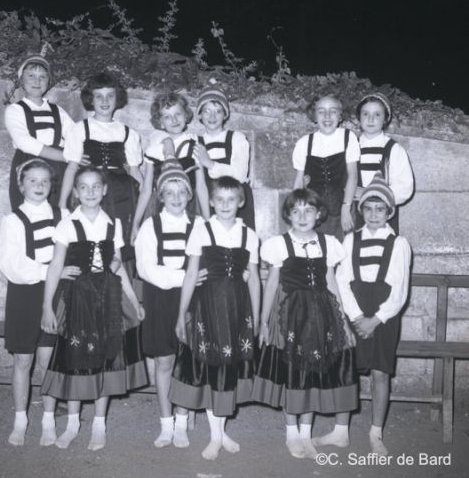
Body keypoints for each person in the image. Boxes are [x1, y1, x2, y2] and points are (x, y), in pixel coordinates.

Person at [41, 166, 147, 451]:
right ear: (76, 192)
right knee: (75, 359)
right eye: (84, 187)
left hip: (107, 300)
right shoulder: (67, 224)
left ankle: (99, 424)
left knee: (106, 359)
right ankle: (72, 423)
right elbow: (55, 266)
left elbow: (118, 267)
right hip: (77, 300)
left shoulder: (113, 224)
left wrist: (134, 301)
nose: (90, 192)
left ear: (104, 190)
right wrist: (47, 307)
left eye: (96, 186)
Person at [252, 189, 358, 459]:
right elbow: (271, 283)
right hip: (289, 315)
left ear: (318, 214)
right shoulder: (279, 244)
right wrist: (263, 321)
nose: (302, 216)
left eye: (308, 210)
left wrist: (343, 322)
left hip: (320, 315)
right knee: (291, 371)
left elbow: (331, 283)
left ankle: (306, 433)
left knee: (312, 371)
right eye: (296, 211)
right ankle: (291, 433)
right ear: (288, 215)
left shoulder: (328, 243)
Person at [170, 176, 261, 460]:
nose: (225, 204)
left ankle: (220, 432)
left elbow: (254, 280)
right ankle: (215, 436)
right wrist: (181, 313)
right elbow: (190, 274)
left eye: (231, 199)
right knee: (211, 367)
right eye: (219, 199)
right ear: (210, 201)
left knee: (228, 368)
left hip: (236, 309)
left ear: (240, 202)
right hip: (207, 308)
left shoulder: (249, 235)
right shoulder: (201, 231)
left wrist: (256, 318)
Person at [0, 158, 72, 446]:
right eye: (32, 180)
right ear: (21, 185)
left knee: (47, 360)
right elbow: (10, 264)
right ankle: (20, 420)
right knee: (22, 359)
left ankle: (48, 420)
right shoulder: (12, 220)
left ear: (52, 185)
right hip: (24, 295)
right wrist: (50, 271)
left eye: (45, 181)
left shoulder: (63, 216)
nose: (39, 186)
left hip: (55, 294)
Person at [336, 173, 411, 456]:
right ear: (361, 211)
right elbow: (342, 281)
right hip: (355, 311)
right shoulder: (350, 240)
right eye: (368, 208)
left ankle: (376, 432)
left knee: (380, 373)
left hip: (384, 316)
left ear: (390, 212)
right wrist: (356, 317)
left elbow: (399, 289)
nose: (374, 214)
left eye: (380, 209)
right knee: (347, 372)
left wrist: (375, 319)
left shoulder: (399, 243)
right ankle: (340, 431)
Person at [135, 158, 203, 449]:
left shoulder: (200, 225)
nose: (176, 198)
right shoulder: (150, 226)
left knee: (186, 361)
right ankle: (166, 422)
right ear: (160, 196)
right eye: (169, 193)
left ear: (190, 195)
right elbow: (146, 269)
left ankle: (182, 422)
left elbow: (207, 265)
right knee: (164, 361)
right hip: (161, 298)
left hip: (192, 299)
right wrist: (185, 277)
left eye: (182, 192)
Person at [59, 72, 143, 261]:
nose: (105, 101)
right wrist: (63, 204)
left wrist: (142, 205)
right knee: (89, 240)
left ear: (117, 98)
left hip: (122, 195)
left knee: (119, 242)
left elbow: (135, 172)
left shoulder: (128, 133)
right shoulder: (80, 129)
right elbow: (71, 168)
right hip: (91, 191)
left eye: (110, 95)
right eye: (99, 96)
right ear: (91, 99)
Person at [131, 92, 209, 240]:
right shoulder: (154, 150)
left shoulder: (195, 145)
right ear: (160, 122)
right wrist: (136, 222)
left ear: (185, 116)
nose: (174, 120)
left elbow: (201, 187)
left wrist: (207, 220)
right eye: (167, 117)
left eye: (178, 114)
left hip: (190, 205)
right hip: (159, 206)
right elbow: (147, 189)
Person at [4, 55, 74, 210]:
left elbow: (74, 135)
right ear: (21, 81)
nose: (37, 81)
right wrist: (66, 156)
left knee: (60, 211)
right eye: (31, 75)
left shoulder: (57, 110)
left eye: (42, 76)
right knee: (31, 213)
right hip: (29, 165)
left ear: (48, 82)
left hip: (59, 169)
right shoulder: (15, 110)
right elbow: (24, 142)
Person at [293, 94, 359, 241]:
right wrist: (298, 212)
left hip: (342, 208)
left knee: (344, 249)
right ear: (315, 116)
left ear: (340, 116)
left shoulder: (348, 137)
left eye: (333, 111)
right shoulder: (304, 143)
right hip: (313, 212)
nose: (327, 116)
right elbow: (298, 182)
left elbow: (353, 176)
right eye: (321, 111)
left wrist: (346, 207)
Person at [193, 84, 255, 229]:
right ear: (200, 115)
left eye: (218, 111)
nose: (212, 116)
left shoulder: (237, 138)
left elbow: (240, 174)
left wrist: (210, 164)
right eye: (207, 111)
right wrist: (206, 217)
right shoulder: (197, 142)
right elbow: (200, 184)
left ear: (225, 114)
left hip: (236, 200)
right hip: (209, 201)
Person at [355, 92, 414, 233]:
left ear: (386, 119)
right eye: (365, 114)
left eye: (377, 114)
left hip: (384, 215)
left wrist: (369, 194)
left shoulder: (394, 149)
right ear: (359, 117)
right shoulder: (351, 147)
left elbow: (405, 187)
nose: (370, 119)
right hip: (354, 215)